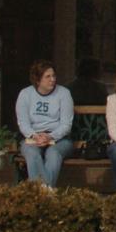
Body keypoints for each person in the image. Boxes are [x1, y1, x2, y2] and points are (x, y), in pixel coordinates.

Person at [15, 60, 75, 189]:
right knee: (31, 152)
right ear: (37, 80)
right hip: (32, 137)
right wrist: (35, 136)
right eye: (48, 77)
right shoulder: (25, 94)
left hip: (59, 139)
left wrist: (50, 137)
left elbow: (66, 124)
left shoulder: (64, 93)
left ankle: (40, 194)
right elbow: (23, 123)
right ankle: (46, 192)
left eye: (53, 76)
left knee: (53, 153)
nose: (52, 79)